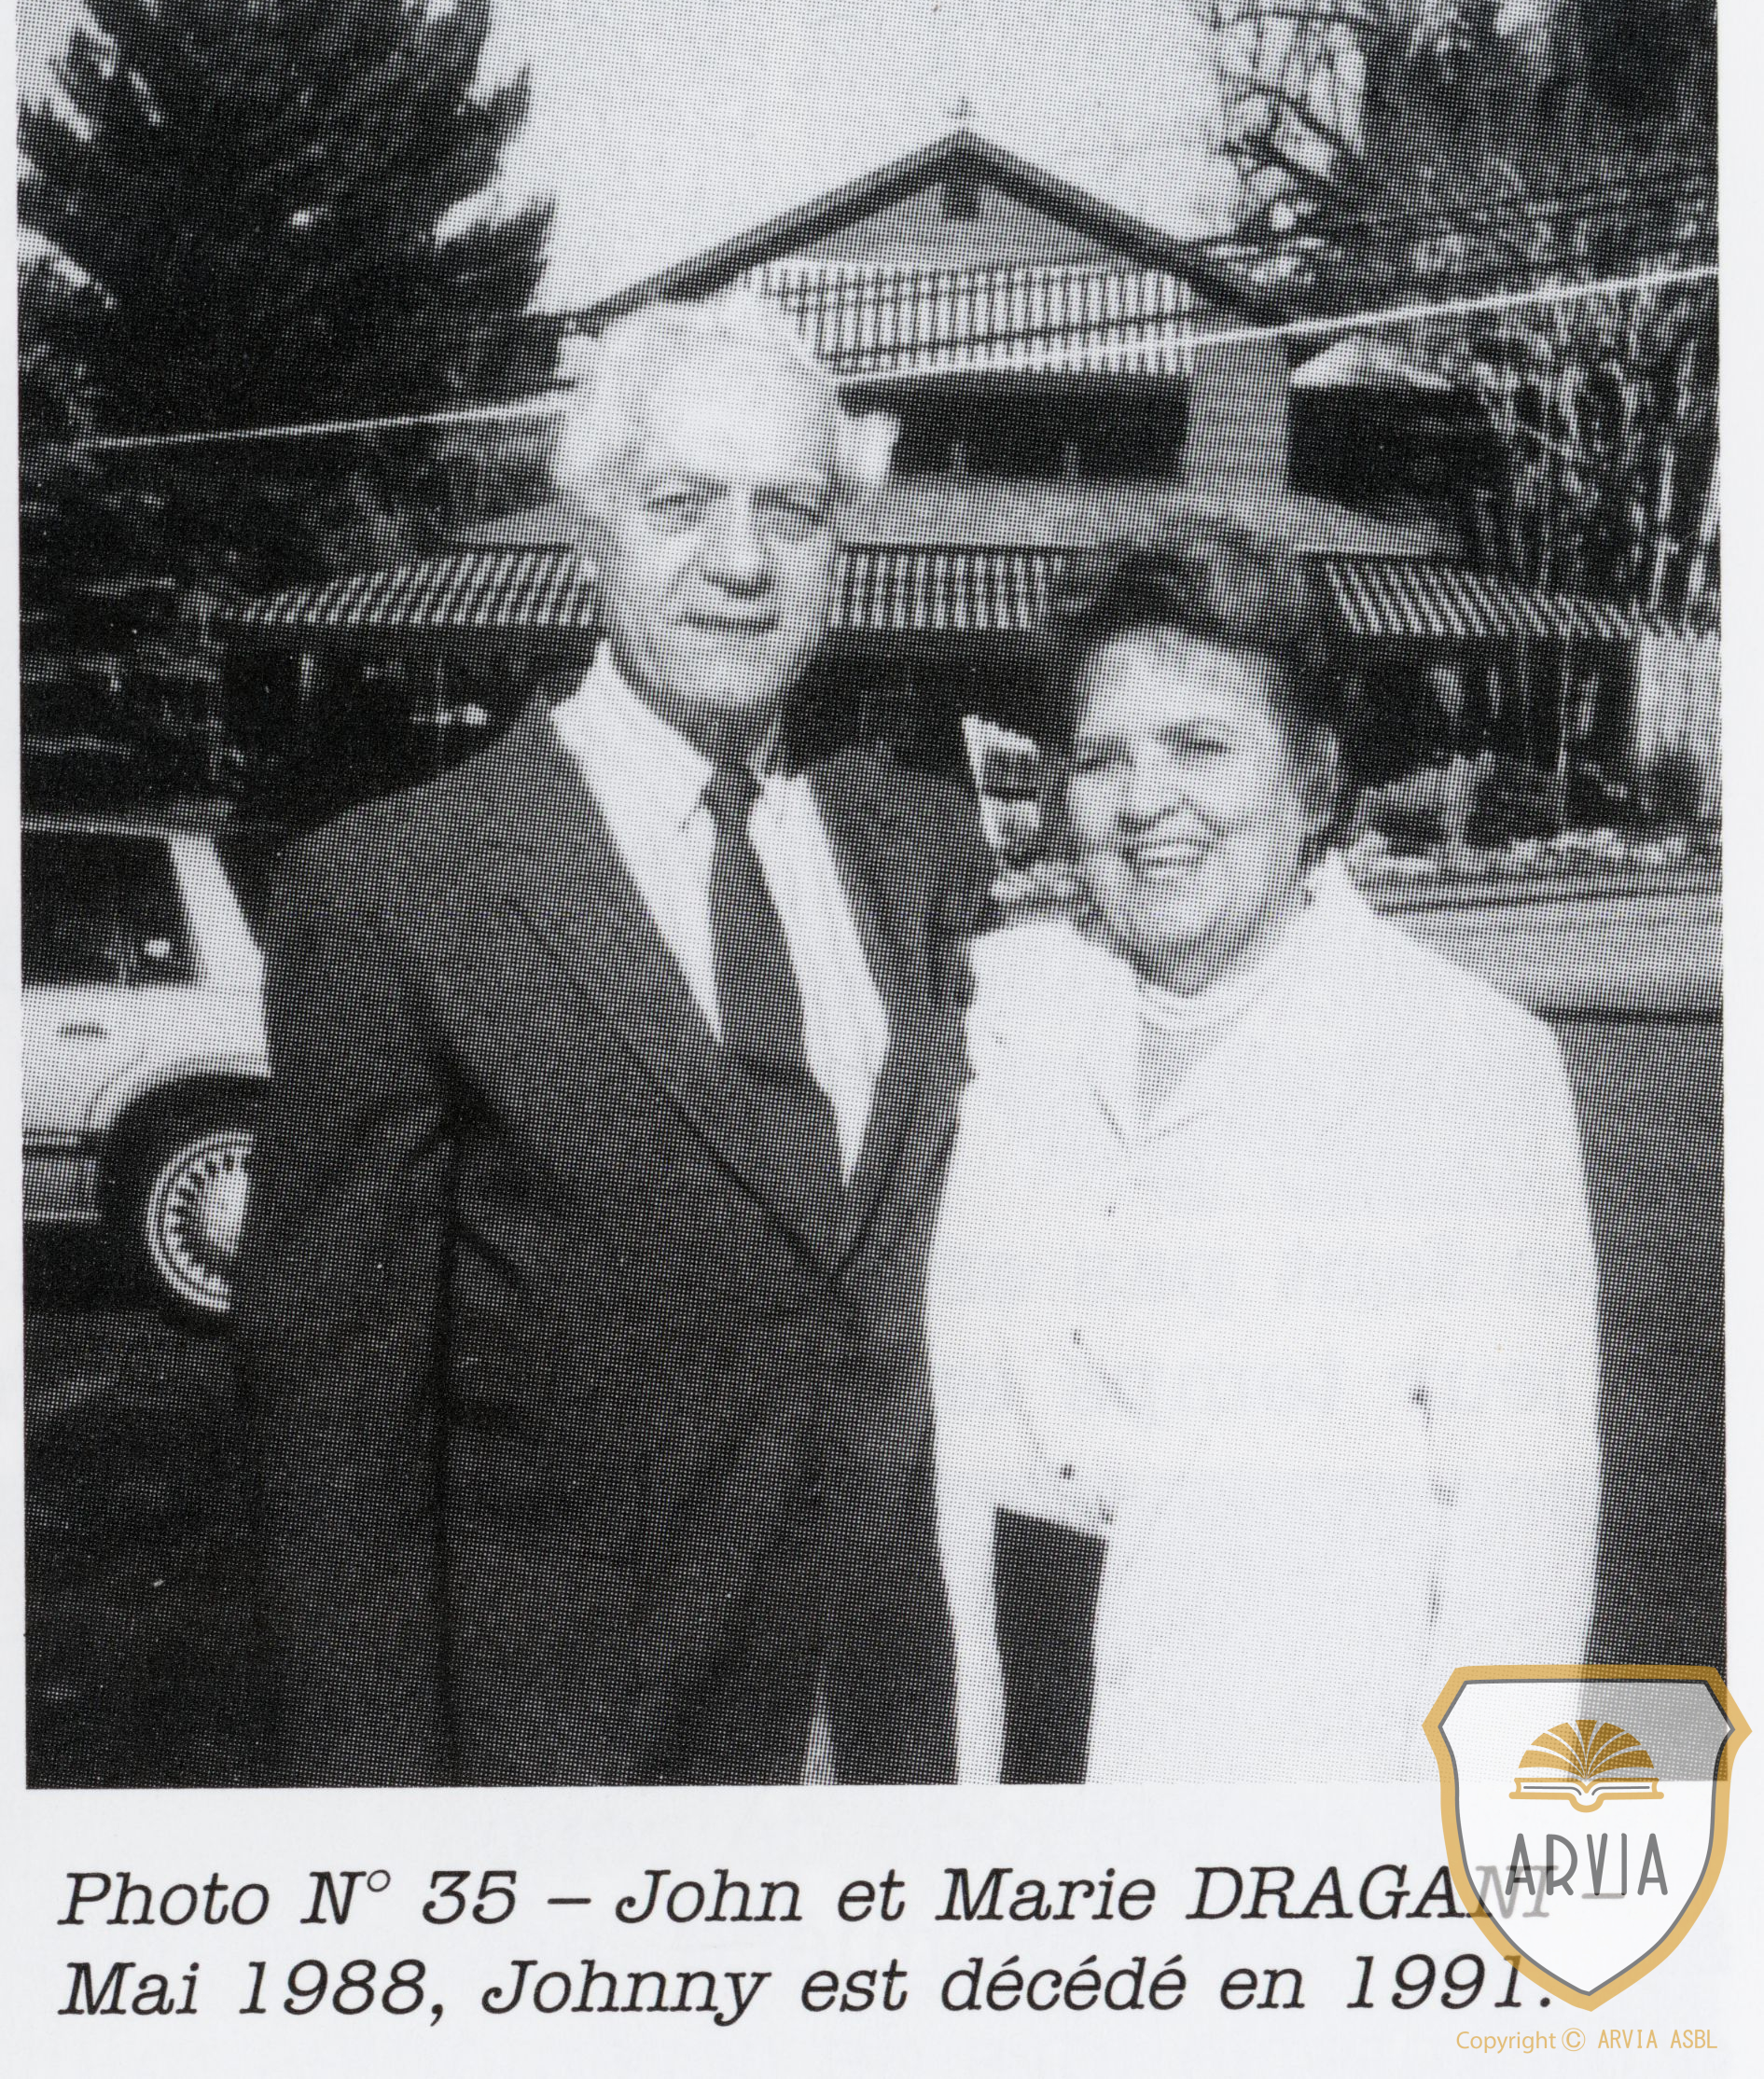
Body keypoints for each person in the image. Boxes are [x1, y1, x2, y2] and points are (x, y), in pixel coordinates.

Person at [236, 292, 991, 1786]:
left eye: (792, 510)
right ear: (589, 533)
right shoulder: (397, 894)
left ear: (840, 550)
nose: (741, 561)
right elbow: (332, 1469)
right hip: (577, 1785)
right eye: (681, 504)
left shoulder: (917, 854)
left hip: (894, 1764)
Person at [928, 513, 1603, 1785]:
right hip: (1006, 1784)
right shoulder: (1000, 1020)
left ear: (1312, 775)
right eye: (1102, 757)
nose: (1147, 801)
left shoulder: (1466, 1066)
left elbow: (1521, 1551)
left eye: (1201, 746)